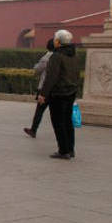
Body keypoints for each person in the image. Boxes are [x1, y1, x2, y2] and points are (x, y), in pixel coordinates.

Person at [40, 30, 80, 160]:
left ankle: (63, 150)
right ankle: (70, 148)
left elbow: (51, 77)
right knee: (68, 121)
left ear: (58, 41)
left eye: (55, 39)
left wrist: (43, 94)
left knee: (58, 122)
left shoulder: (56, 56)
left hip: (59, 93)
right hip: (71, 92)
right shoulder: (73, 54)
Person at [24, 39, 55, 138]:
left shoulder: (47, 57)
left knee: (39, 111)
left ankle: (33, 130)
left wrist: (36, 66)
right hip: (57, 89)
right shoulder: (61, 56)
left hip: (44, 88)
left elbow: (37, 70)